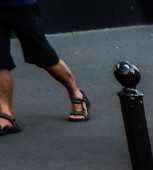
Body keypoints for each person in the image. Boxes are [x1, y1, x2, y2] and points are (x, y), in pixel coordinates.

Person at [0, 0, 89, 135]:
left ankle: (76, 93)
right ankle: (5, 114)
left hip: (22, 5)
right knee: (0, 62)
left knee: (44, 57)